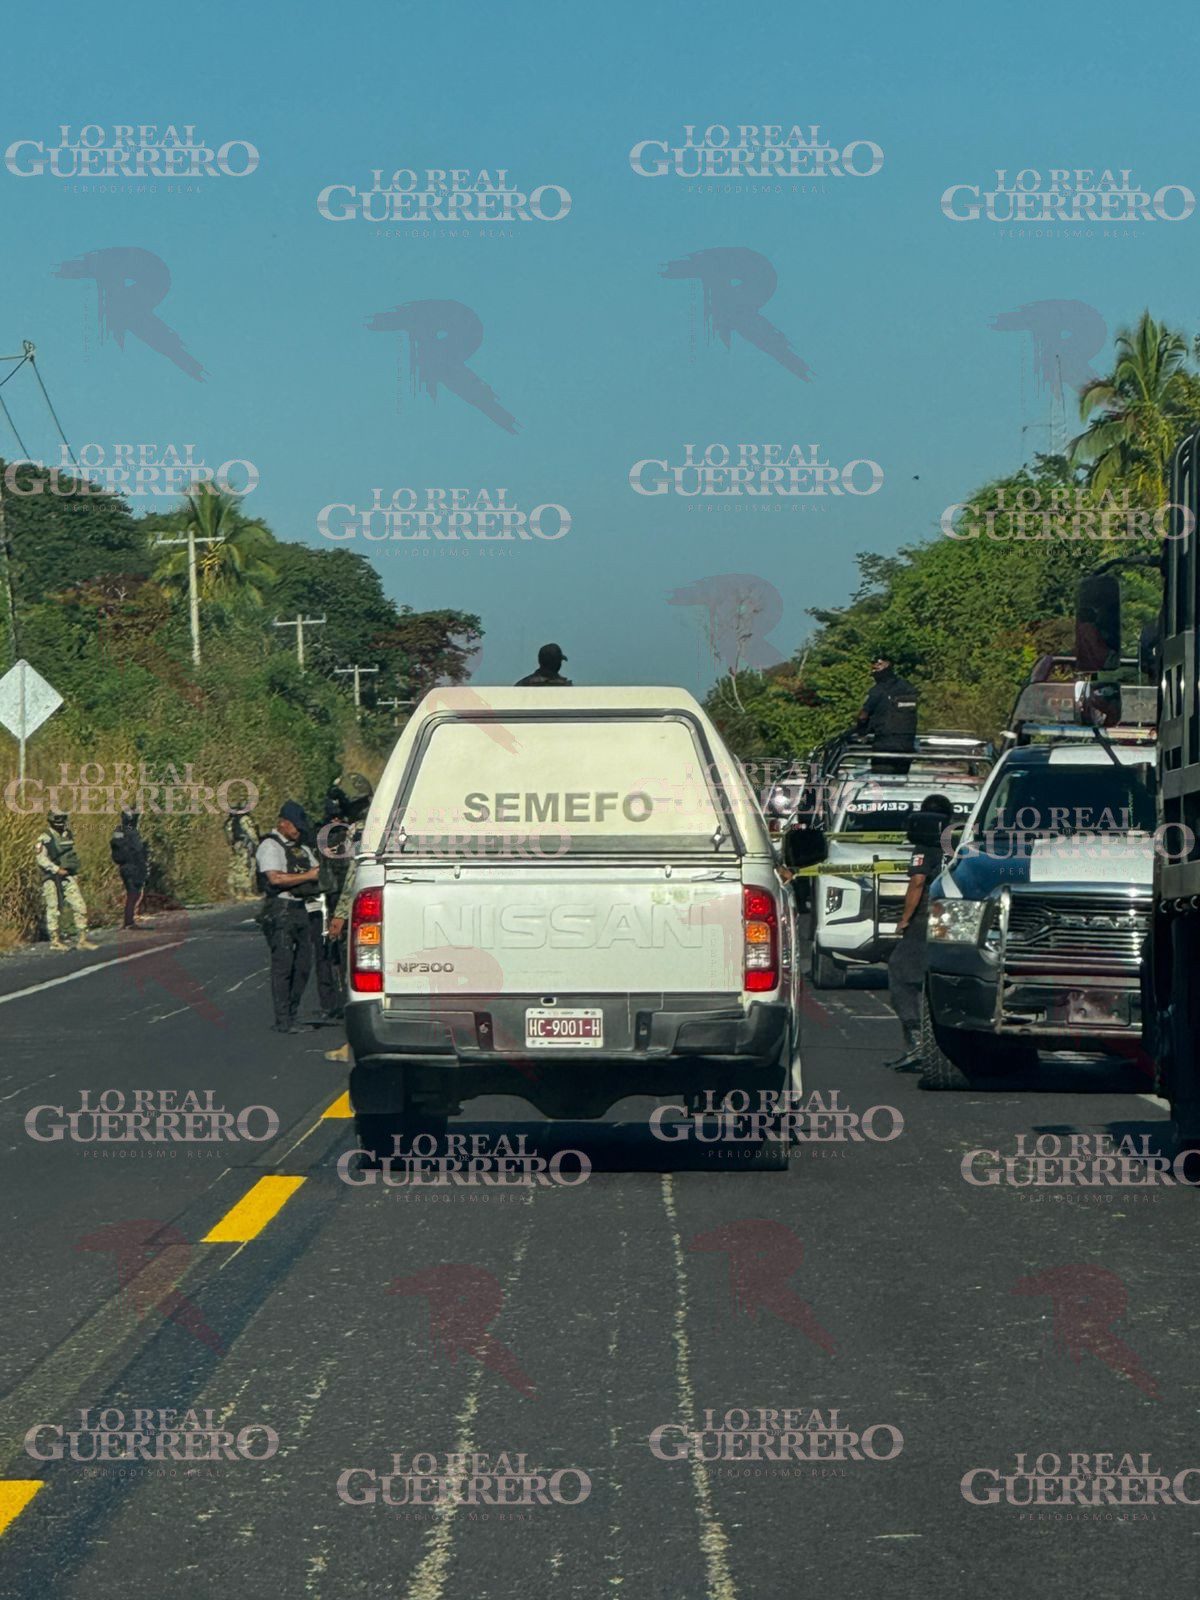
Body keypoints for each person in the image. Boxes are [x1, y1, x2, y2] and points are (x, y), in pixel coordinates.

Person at [884, 793, 955, 1071]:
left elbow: (917, 882)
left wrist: (904, 918)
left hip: (927, 915)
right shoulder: (956, 845)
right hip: (954, 915)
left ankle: (916, 1042)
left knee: (901, 972)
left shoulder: (923, 848)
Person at [320, 772, 375, 1063]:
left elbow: (355, 873)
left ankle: (353, 1044)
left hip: (360, 909)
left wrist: (340, 915)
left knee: (353, 976)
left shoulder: (362, 830)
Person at [254, 801, 321, 1034]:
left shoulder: (301, 848)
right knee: (284, 965)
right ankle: (284, 1019)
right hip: (279, 909)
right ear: (283, 823)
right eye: (295, 826)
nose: (298, 831)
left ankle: (293, 1013)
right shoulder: (269, 846)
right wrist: (307, 876)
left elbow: (318, 871)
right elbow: (275, 879)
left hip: (301, 908)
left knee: (303, 965)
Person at [37, 810, 98, 952]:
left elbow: (71, 855)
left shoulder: (67, 834)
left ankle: (82, 939)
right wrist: (56, 869)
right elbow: (41, 859)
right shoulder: (45, 837)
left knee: (79, 905)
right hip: (51, 877)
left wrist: (72, 873)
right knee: (53, 908)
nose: (61, 822)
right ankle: (55, 941)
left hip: (68, 876)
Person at [854, 657, 918, 772]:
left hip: (884, 746)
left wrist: (861, 732)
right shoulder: (907, 687)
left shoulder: (878, 690)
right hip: (906, 747)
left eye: (878, 664)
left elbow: (863, 716)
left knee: (881, 784)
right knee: (899, 783)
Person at [109, 808, 149, 930]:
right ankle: (129, 922)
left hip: (124, 867)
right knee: (133, 894)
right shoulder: (132, 833)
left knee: (132, 893)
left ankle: (129, 920)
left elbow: (115, 846)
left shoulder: (119, 830)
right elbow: (137, 850)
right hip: (133, 867)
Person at [223, 806, 260, 900]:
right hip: (245, 844)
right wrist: (257, 844)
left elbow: (229, 836)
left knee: (235, 868)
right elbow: (252, 833)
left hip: (236, 845)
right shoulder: (245, 819)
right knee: (245, 867)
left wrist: (232, 845)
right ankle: (247, 893)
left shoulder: (230, 821)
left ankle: (235, 892)